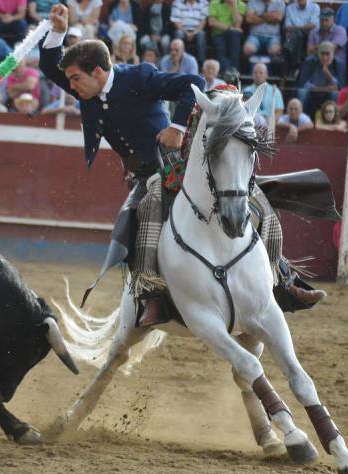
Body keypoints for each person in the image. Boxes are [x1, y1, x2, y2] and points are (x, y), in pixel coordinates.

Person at [39, 4, 205, 323]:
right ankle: (151, 295)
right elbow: (50, 67)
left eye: (75, 79)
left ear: (97, 72)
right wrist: (58, 31)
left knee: (237, 195)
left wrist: (178, 127)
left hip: (176, 164)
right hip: (144, 175)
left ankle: (283, 277)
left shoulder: (140, 77)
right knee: (132, 227)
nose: (71, 87)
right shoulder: (87, 90)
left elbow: (193, 82)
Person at [297, 41, 345, 116]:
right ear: (318, 54)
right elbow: (304, 84)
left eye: (327, 54)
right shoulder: (309, 62)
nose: (325, 57)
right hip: (312, 93)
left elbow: (339, 87)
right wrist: (323, 89)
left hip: (328, 94)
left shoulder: (339, 64)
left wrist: (328, 74)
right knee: (302, 92)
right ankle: (301, 117)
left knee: (335, 94)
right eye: (322, 54)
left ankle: (332, 118)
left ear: (333, 54)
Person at [208, 0, 245, 73]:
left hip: (234, 35)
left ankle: (234, 69)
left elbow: (237, 24)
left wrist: (234, 4)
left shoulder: (241, 5)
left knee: (235, 36)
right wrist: (229, 28)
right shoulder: (214, 3)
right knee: (220, 46)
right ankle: (228, 70)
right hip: (218, 33)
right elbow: (211, 22)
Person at [170, 0, 208, 65]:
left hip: (197, 30)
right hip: (182, 30)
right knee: (178, 34)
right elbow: (176, 21)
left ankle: (201, 64)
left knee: (201, 35)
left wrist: (194, 32)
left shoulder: (204, 3)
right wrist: (186, 32)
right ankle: (177, 62)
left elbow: (203, 21)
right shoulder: (177, 2)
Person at [283, 0, 319, 69]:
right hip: (294, 37)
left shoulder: (315, 7)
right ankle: (297, 66)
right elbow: (287, 27)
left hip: (309, 37)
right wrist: (303, 28)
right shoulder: (289, 8)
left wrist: (296, 28)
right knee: (296, 35)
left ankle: (294, 67)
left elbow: (312, 25)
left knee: (295, 36)